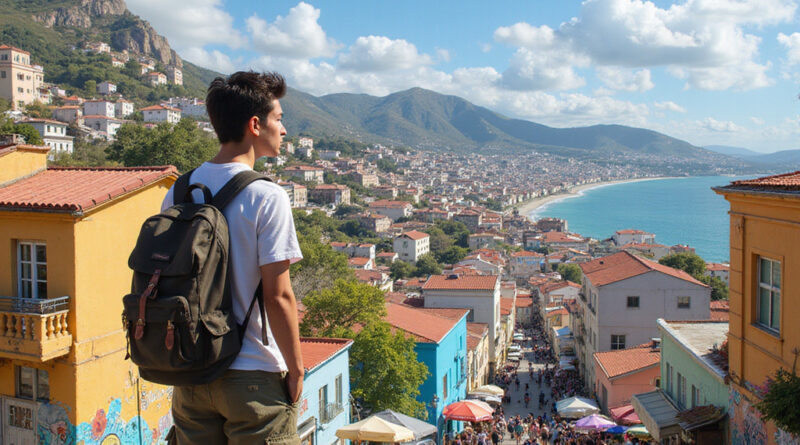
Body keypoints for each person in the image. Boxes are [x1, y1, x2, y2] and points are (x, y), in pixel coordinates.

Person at [166, 72, 304, 444]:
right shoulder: (266, 196)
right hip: (252, 377)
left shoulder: (179, 190)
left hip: (192, 373)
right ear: (255, 125)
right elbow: (278, 297)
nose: (284, 129)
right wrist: (296, 369)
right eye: (278, 119)